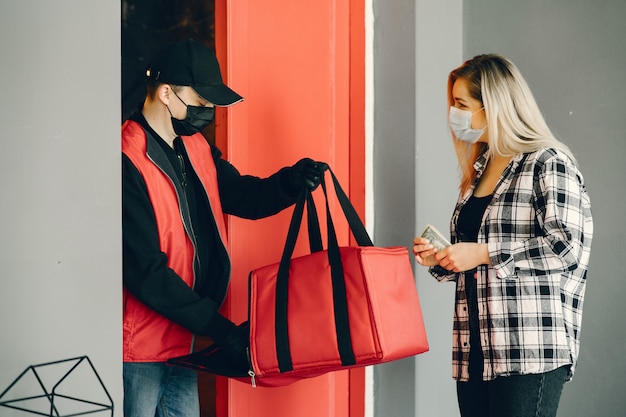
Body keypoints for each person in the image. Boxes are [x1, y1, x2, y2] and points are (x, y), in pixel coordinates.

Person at [122, 39, 325, 417]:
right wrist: (221, 329)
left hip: (186, 341)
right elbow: (145, 273)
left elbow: (241, 196)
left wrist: (290, 183)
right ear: (167, 93)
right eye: (200, 102)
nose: (207, 112)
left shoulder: (194, 147)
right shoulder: (126, 158)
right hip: (141, 350)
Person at [412, 54, 593, 417]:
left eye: (462, 104)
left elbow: (567, 248)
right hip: (474, 353)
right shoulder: (479, 169)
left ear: (493, 105)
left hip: (527, 352)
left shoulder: (548, 162)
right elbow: (478, 257)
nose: (454, 113)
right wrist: (443, 258)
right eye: (453, 104)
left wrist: (482, 254)